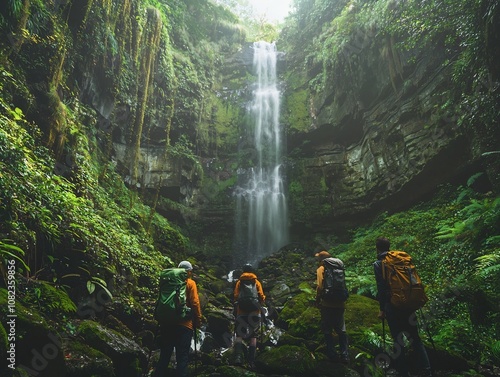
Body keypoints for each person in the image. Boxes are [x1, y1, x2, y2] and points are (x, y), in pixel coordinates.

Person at [373, 237, 432, 377]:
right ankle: (427, 370)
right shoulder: (401, 260)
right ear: (389, 246)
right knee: (415, 338)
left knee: (398, 341)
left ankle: (404, 372)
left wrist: (382, 309)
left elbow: (381, 288)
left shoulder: (379, 264)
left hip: (393, 306)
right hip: (409, 304)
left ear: (377, 248)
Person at [154, 261, 202, 377]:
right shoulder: (190, 283)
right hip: (184, 325)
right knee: (182, 357)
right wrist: (198, 320)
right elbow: (195, 303)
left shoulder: (169, 282)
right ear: (189, 272)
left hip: (167, 323)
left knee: (164, 355)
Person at [315, 250, 349, 364]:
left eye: (318, 259)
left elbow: (319, 286)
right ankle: (345, 355)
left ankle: (332, 355)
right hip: (340, 303)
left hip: (327, 303)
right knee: (341, 330)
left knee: (327, 329)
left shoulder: (321, 269)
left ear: (321, 260)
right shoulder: (338, 268)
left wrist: (317, 299)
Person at [232, 263, 266, 369]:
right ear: (252, 271)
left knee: (239, 334)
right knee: (253, 336)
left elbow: (236, 296)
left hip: (241, 312)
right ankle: (251, 361)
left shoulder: (239, 282)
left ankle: (238, 358)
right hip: (254, 312)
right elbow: (261, 295)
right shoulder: (256, 282)